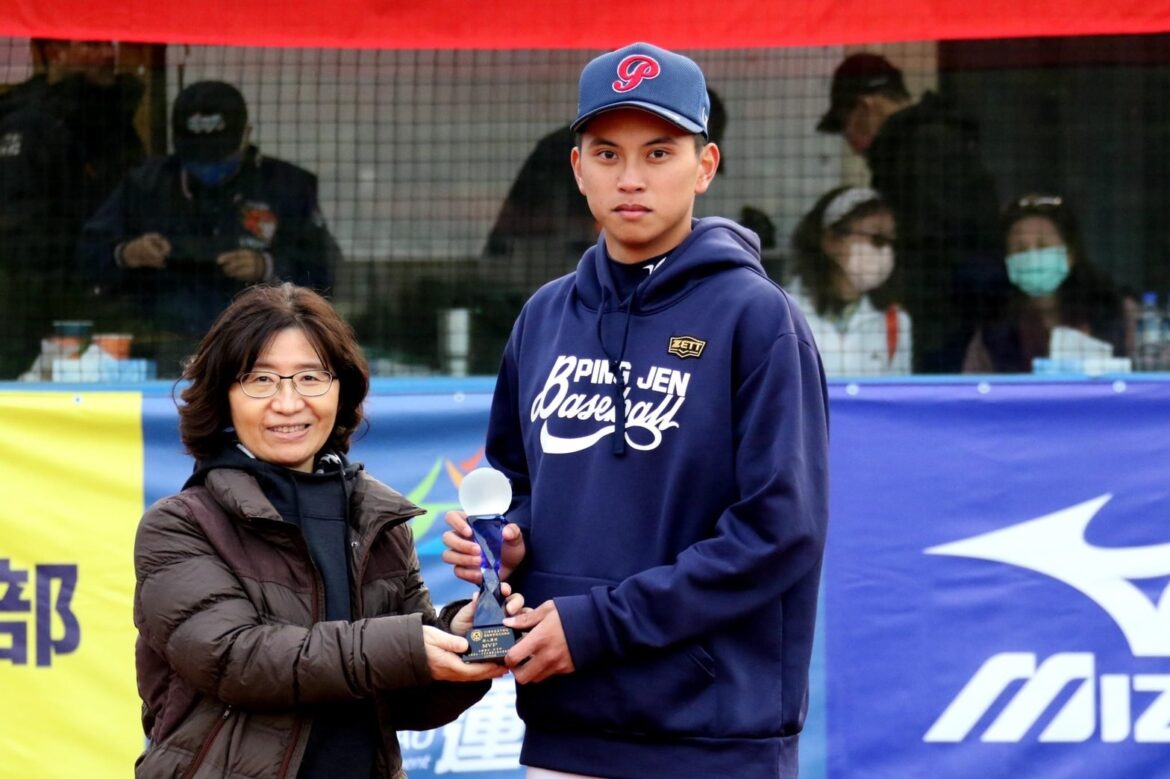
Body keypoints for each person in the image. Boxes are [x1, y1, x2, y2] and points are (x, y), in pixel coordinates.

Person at [443, 42, 830, 779]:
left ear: (705, 165)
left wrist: (599, 625)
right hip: (566, 722)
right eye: (607, 153)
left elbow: (780, 531)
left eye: (658, 153)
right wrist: (512, 540)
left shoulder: (757, 317)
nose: (630, 178)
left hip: (711, 737)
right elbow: (517, 485)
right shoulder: (545, 316)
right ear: (577, 168)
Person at [132, 282, 520, 777]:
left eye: (311, 377)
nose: (288, 402)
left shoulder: (375, 516)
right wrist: (409, 646)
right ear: (224, 394)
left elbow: (406, 699)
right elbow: (236, 659)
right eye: (260, 379)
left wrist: (458, 638)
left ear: (342, 388)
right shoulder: (181, 523)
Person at [79, 80, 340, 377]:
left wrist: (266, 267)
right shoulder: (145, 185)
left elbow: (324, 271)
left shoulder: (287, 187)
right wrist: (126, 253)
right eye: (196, 155)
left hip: (262, 346)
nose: (207, 165)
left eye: (218, 155)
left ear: (246, 135)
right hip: (163, 343)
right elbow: (86, 256)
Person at [816, 52, 1006, 373]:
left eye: (845, 126)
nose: (850, 142)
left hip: (941, 327)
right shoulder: (932, 139)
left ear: (866, 107)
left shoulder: (919, 149)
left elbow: (933, 247)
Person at [0, 39, 145, 377]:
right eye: (92, 45)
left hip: (109, 288)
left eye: (109, 44)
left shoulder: (115, 120)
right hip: (35, 300)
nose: (108, 54)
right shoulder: (26, 123)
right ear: (56, 53)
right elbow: (16, 228)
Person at [962, 194, 1132, 373]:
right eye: (1020, 249)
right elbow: (972, 387)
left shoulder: (1116, 312)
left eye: (1043, 246)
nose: (1032, 256)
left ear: (1070, 254)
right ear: (1007, 261)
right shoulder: (993, 333)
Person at [787, 186, 911, 376]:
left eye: (890, 240)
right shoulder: (781, 312)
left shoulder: (895, 322)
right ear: (831, 241)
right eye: (877, 238)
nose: (885, 251)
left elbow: (898, 393)